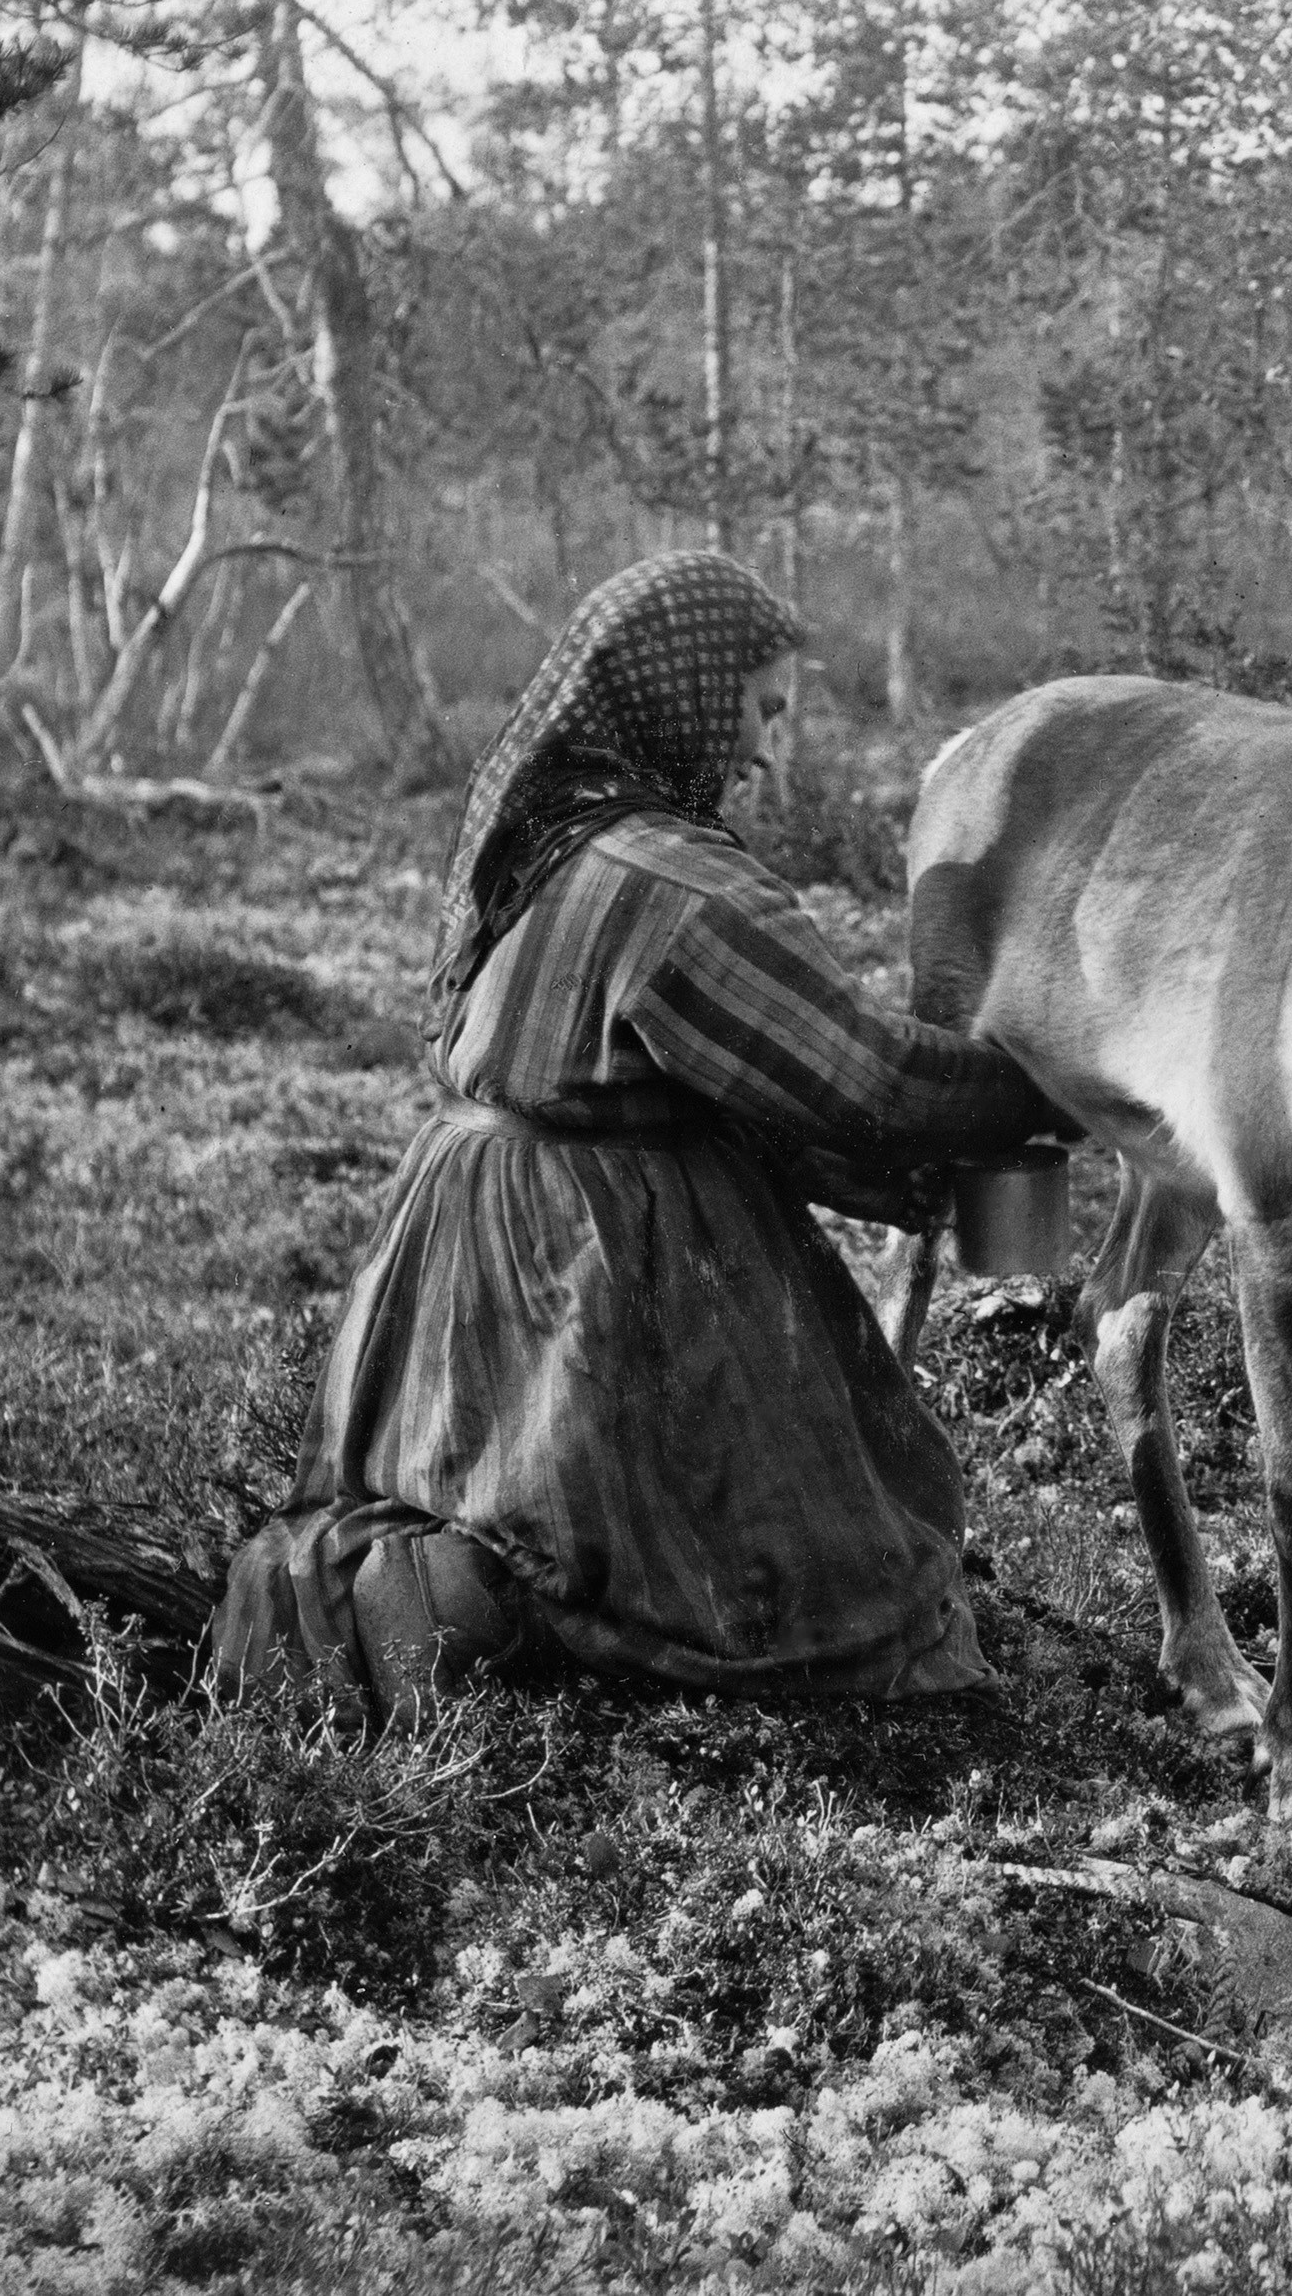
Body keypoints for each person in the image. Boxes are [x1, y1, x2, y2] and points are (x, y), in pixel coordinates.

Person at [214, 549, 1071, 1720]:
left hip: (463, 1236)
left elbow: (729, 1088)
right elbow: (865, 1076)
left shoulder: (552, 843)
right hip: (591, 1253)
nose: (765, 749)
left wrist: (885, 1178)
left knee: (489, 1487)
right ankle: (461, 1612)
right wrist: (1055, 1086)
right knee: (763, 1561)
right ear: (685, 695)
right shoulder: (677, 885)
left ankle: (438, 1595)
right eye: (760, 707)